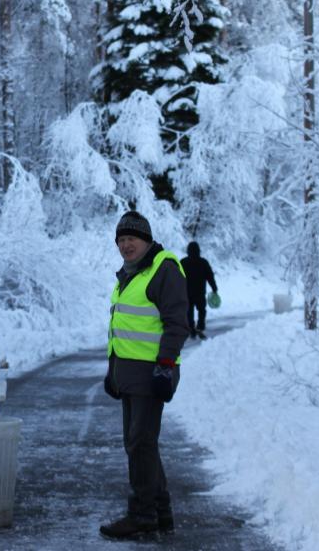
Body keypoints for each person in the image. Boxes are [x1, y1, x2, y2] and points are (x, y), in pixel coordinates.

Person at [101, 211, 189, 539]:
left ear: (146, 240)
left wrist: (165, 367)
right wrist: (113, 371)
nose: (126, 245)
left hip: (153, 374)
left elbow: (177, 322)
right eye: (121, 240)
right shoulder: (129, 276)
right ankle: (160, 512)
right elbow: (121, 329)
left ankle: (142, 515)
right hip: (129, 376)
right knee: (140, 444)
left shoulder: (163, 269)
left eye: (132, 239)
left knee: (140, 443)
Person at [180, 241, 218, 339]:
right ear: (198, 251)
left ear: (188, 251)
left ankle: (191, 328)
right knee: (202, 310)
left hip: (187, 292)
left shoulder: (183, 262)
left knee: (189, 311)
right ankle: (200, 327)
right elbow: (210, 276)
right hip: (200, 293)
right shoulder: (203, 262)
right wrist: (214, 288)